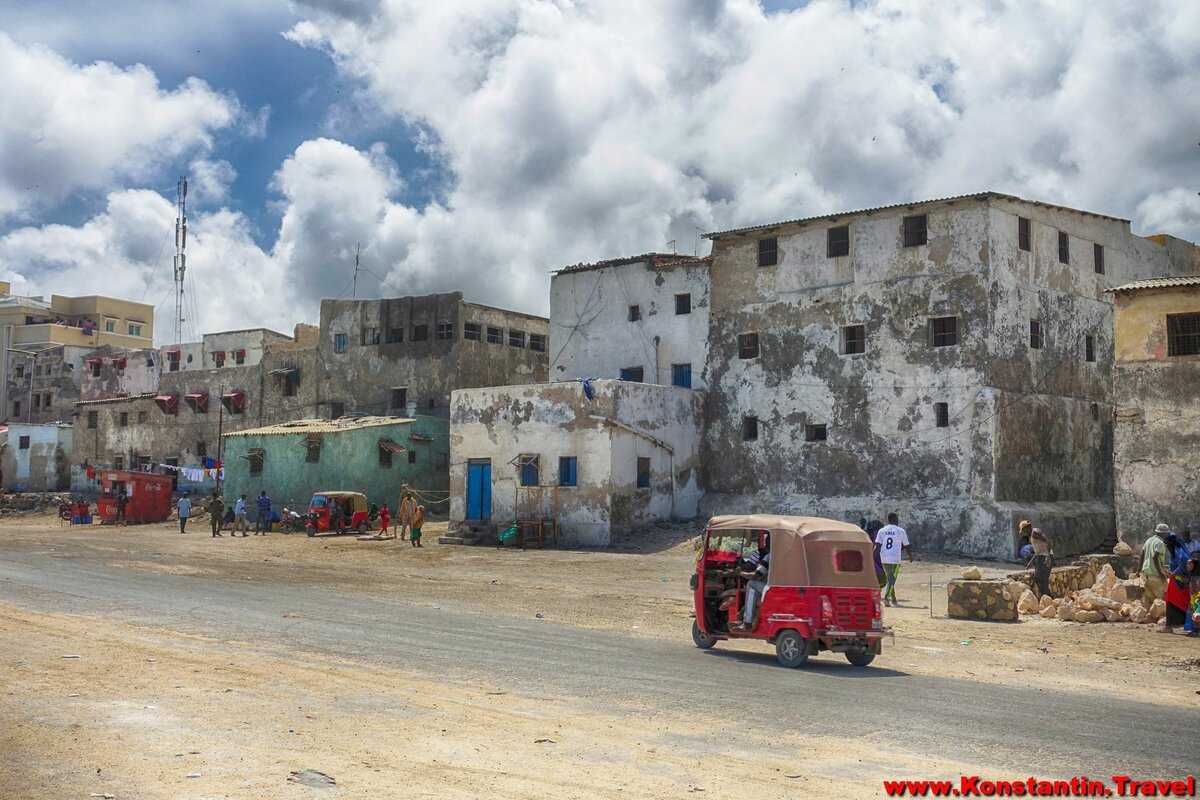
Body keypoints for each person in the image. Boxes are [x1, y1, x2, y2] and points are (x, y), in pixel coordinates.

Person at [874, 513, 912, 606]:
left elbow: (877, 546)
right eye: (897, 519)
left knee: (890, 578)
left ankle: (894, 599)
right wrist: (910, 556)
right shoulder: (901, 531)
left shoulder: (882, 531)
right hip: (895, 559)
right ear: (895, 519)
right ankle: (887, 598)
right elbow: (906, 545)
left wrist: (872, 557)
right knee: (892, 579)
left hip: (884, 558)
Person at [736, 534, 771, 629]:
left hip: (770, 588)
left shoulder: (768, 556)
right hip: (781, 587)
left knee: (751, 584)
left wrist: (741, 573)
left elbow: (756, 575)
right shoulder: (785, 555)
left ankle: (747, 622)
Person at [1163, 532, 1191, 634]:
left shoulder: (1178, 551)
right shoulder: (1177, 550)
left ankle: (1169, 626)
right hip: (1178, 581)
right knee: (1176, 601)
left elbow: (1184, 562)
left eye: (1167, 544)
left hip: (1179, 582)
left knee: (1171, 601)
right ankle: (1171, 625)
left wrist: (1174, 573)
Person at [1141, 524, 1170, 612]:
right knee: (1160, 599)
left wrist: (1138, 570)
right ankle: (1161, 618)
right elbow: (1155, 557)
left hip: (1146, 574)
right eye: (1167, 534)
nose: (1167, 536)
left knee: (1149, 599)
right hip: (1156, 575)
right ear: (1163, 534)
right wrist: (1161, 573)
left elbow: (1142, 555)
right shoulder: (1160, 543)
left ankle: (1147, 618)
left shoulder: (1149, 540)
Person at [1029, 527, 1052, 597]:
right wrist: (1031, 561)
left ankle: (1048, 597)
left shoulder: (1035, 532)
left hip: (1044, 557)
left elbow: (1047, 541)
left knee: (1042, 579)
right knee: (1038, 578)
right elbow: (1037, 551)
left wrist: (1048, 556)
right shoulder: (1031, 536)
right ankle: (1046, 597)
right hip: (1040, 557)